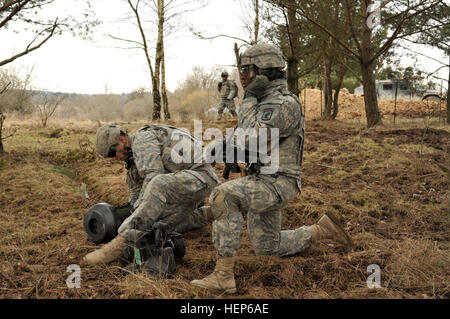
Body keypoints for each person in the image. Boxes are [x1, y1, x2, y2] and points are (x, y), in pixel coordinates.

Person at [190, 43, 353, 294]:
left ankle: (223, 276)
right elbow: (253, 143)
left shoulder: (281, 103)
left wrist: (248, 101)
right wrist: (228, 150)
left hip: (278, 183)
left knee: (223, 195)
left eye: (247, 69)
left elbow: (250, 138)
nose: (241, 75)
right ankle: (322, 230)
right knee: (267, 248)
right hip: (263, 179)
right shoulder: (265, 101)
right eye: (241, 69)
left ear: (264, 72)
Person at [82, 124, 219, 265]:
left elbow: (154, 176)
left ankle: (118, 245)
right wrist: (133, 210)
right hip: (184, 187)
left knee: (157, 184)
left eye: (112, 153)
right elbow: (136, 191)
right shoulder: (132, 160)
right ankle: (211, 213)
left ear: (122, 140)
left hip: (201, 178)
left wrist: (135, 217)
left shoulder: (142, 140)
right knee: (158, 227)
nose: (113, 159)